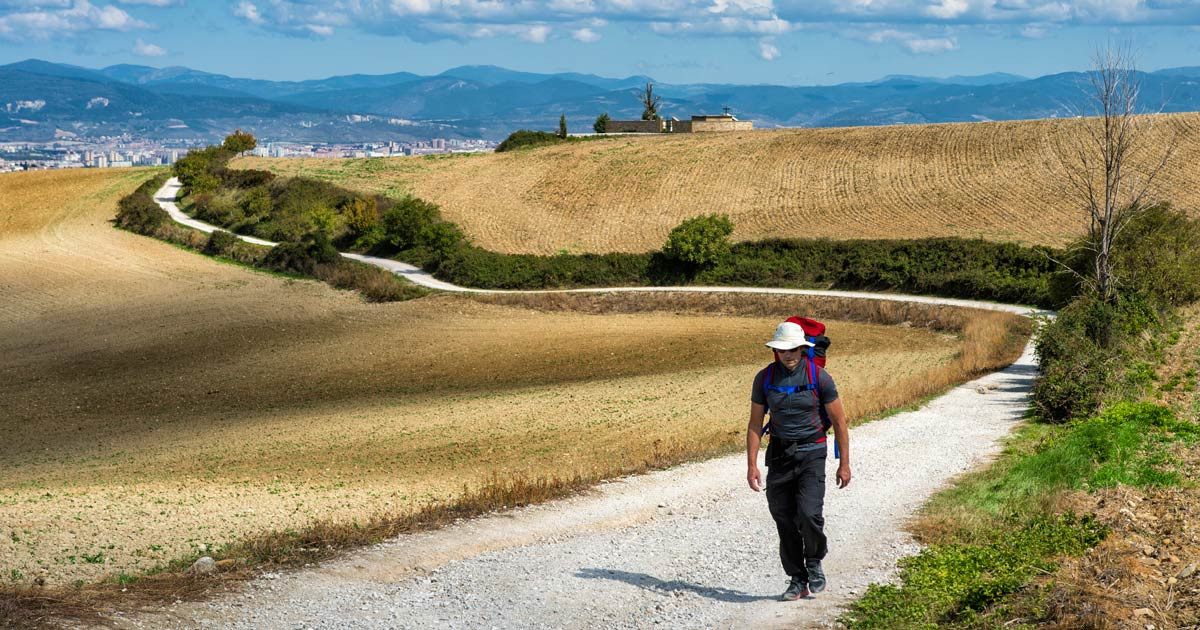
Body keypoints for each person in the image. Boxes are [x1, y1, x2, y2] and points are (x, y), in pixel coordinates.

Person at [746, 320, 851, 601]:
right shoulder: (764, 378)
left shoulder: (820, 377)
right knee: (783, 518)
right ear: (776, 352)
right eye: (783, 350)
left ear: (803, 349)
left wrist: (844, 463)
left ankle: (814, 561)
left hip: (812, 453)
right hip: (779, 455)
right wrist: (751, 465)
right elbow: (755, 423)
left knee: (808, 514)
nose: (789, 354)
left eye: (794, 349)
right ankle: (797, 578)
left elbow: (840, 422)